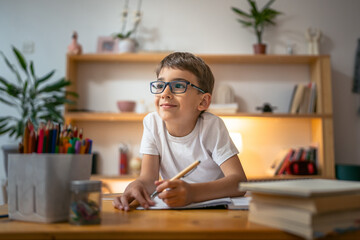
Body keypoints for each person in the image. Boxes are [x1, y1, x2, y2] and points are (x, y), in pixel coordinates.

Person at [113, 52, 247, 211]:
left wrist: (192, 193)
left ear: (203, 101)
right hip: (174, 210)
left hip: (215, 212)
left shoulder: (212, 127)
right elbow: (148, 179)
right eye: (160, 85)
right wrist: (136, 186)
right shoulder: (152, 123)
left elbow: (239, 182)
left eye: (178, 86)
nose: (165, 93)